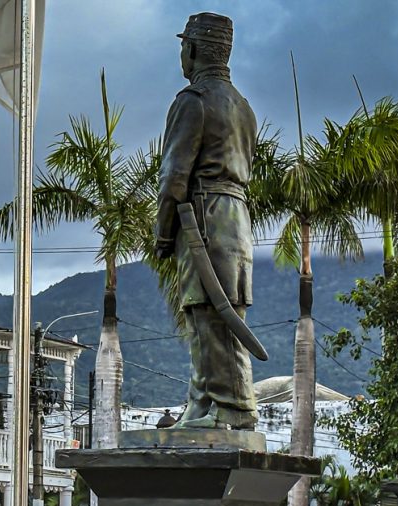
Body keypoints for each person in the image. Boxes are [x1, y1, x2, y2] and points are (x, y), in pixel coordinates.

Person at [154, 12, 258, 430]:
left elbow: (173, 177)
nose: (182, 54)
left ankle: (232, 407)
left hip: (204, 218)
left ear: (193, 49)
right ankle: (202, 404)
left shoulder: (193, 102)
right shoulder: (242, 107)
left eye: (183, 46)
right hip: (236, 221)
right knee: (210, 317)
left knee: (212, 317)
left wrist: (163, 234)